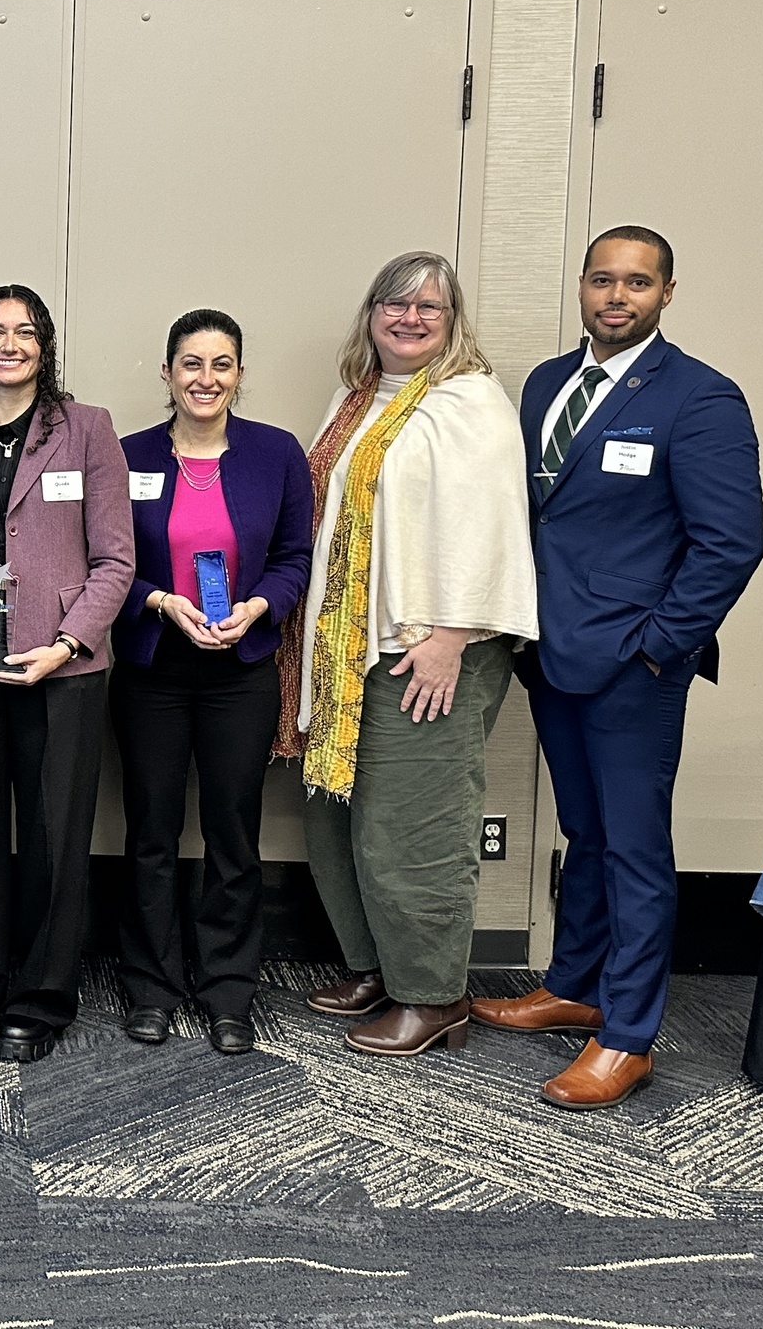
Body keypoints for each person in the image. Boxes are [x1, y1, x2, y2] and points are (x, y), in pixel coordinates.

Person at [472, 226, 763, 1109]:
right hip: (551, 655)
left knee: (636, 848)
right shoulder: (548, 384)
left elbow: (731, 544)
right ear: (583, 286)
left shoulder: (702, 398)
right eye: (603, 280)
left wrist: (656, 646)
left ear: (667, 293)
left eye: (638, 283)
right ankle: (575, 984)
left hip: (634, 665)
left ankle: (628, 1035)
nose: (616, 297)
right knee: (585, 833)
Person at [289, 252, 537, 1056]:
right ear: (371, 315)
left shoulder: (472, 404)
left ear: (453, 318)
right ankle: (375, 967)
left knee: (413, 824)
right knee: (337, 818)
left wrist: (452, 636)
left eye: (430, 306)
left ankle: (432, 996)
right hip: (346, 649)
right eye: (394, 304)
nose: (410, 317)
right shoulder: (356, 399)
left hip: (425, 650)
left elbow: (492, 528)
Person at [0, 285, 134, 1063]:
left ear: (45, 346)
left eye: (26, 331)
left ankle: (41, 997)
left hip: (61, 669)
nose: (10, 343)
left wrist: (68, 644)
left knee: (53, 835)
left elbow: (115, 560)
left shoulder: (88, 430)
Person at [109, 309, 312, 1054]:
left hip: (241, 671)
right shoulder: (125, 455)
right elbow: (106, 563)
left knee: (234, 835)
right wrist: (161, 603)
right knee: (151, 834)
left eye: (221, 364)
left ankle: (229, 991)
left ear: (239, 374)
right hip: (154, 671)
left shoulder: (276, 454)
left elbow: (295, 555)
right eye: (191, 364)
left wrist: (259, 607)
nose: (206, 379)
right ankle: (151, 988)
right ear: (166, 374)